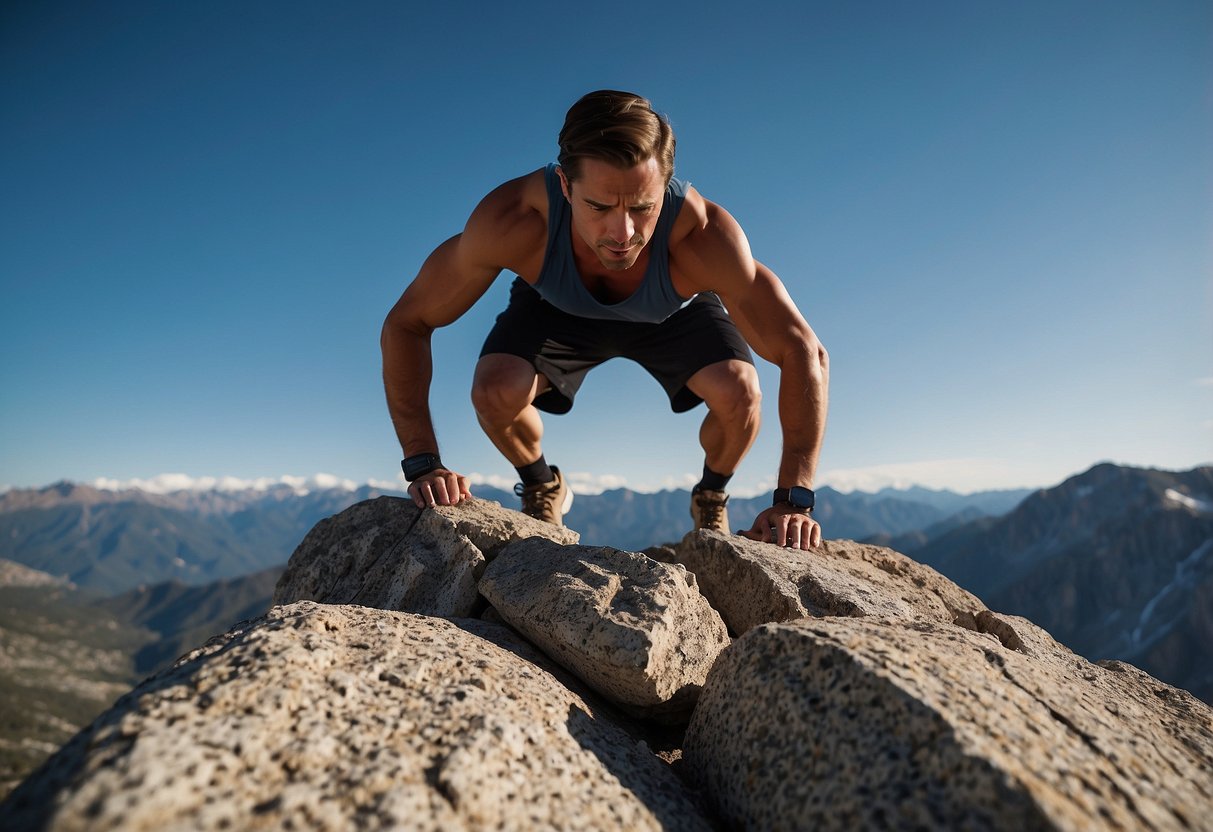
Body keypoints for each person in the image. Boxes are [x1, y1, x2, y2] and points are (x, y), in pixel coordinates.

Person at [382, 90, 828, 549]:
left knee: (741, 392)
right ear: (564, 186)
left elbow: (803, 350)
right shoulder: (513, 221)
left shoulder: (703, 238)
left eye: (642, 207)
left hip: (675, 311)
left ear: (666, 186)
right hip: (556, 307)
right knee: (494, 390)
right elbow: (407, 322)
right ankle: (541, 486)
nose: (623, 234)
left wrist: (794, 500)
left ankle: (711, 496)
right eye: (598, 207)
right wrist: (422, 462)